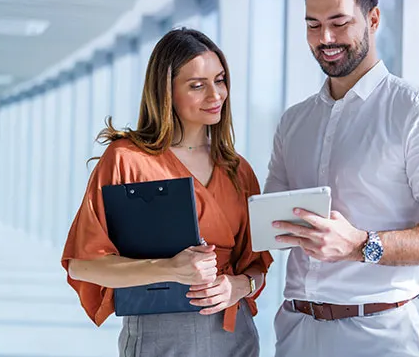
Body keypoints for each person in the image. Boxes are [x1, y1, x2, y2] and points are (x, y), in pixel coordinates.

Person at [265, 0, 419, 356]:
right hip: (296, 330)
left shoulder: (416, 112)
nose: (325, 37)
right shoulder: (294, 122)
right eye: (313, 24)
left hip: (380, 335)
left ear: (373, 19)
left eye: (340, 23)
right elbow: (272, 225)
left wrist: (361, 243)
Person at [62, 28, 273, 357]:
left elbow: (258, 265)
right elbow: (82, 266)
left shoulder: (238, 170)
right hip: (161, 336)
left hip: (236, 335)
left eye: (219, 80)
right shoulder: (127, 160)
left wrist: (240, 286)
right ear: (166, 92)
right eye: (197, 85)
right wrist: (170, 269)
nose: (215, 95)